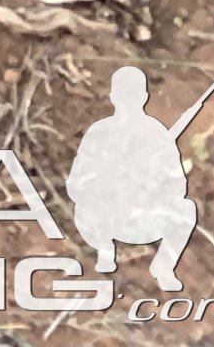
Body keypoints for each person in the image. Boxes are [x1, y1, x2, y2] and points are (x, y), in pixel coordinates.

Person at [67, 65, 198, 291]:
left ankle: (164, 267)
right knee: (83, 209)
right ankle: (105, 252)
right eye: (125, 95)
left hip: (142, 219)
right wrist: (105, 184)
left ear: (144, 97)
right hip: (104, 219)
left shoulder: (157, 135)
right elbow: (75, 185)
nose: (129, 101)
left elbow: (178, 184)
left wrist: (152, 186)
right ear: (113, 97)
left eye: (134, 95)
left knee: (187, 209)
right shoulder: (98, 133)